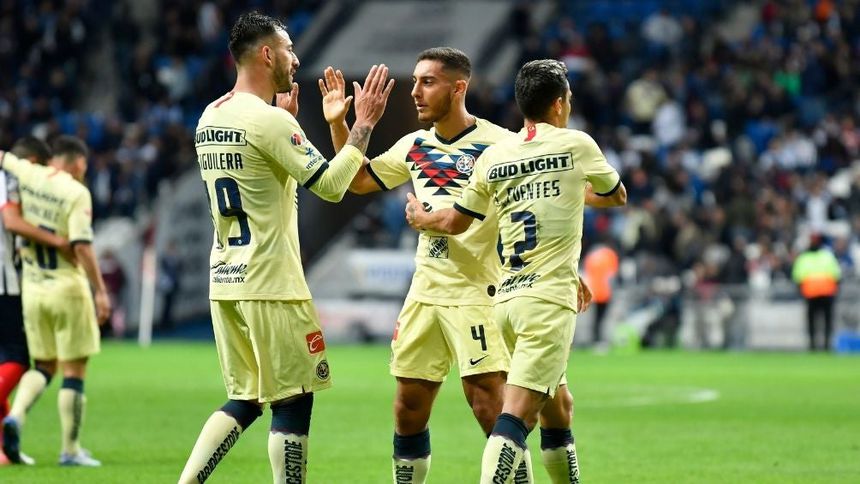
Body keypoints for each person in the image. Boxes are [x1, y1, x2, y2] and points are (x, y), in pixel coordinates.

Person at [177, 12, 393, 484]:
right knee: (293, 399)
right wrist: (363, 125)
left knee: (245, 398)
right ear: (266, 54)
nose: (296, 59)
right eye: (289, 49)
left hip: (226, 279)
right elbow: (332, 186)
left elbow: (262, 180)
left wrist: (289, 125)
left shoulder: (210, 116)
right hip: (272, 281)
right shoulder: (268, 121)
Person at [405, 59, 627, 484]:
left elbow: (456, 220)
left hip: (506, 300)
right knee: (517, 416)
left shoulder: (496, 156)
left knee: (559, 407)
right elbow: (616, 195)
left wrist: (422, 217)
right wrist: (569, 188)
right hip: (547, 301)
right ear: (559, 104)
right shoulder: (575, 144)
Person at [319, 47, 522, 483]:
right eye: (414, 81)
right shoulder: (415, 145)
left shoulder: (501, 144)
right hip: (424, 294)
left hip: (476, 293)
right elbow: (357, 179)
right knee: (408, 407)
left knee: (488, 405)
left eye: (427, 82)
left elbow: (534, 206)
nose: (415, 92)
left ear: (459, 87)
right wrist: (340, 124)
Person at [1, 135, 111, 467]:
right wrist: (100, 290)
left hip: (33, 290)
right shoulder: (76, 192)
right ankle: (71, 450)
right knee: (74, 370)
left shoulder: (28, 174)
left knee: (44, 366)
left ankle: (16, 415)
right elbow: (81, 245)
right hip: (66, 289)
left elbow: (4, 157)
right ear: (77, 162)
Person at [0, 137, 73, 465]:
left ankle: (3, 449)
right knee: (19, 357)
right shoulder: (9, 179)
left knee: (5, 359)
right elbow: (12, 222)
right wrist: (57, 241)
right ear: (30, 162)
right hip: (6, 283)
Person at [792, 234, 841, 351]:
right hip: (823, 293)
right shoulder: (827, 256)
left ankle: (815, 346)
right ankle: (823, 346)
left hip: (814, 293)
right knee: (825, 321)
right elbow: (837, 275)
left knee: (814, 321)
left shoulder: (804, 257)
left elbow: (797, 276)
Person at [582, 243, 619, 345]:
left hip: (594, 292)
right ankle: (599, 340)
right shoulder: (610, 255)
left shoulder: (591, 256)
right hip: (605, 292)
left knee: (596, 318)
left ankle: (595, 340)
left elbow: (587, 273)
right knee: (602, 318)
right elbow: (613, 274)